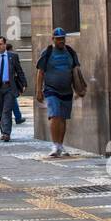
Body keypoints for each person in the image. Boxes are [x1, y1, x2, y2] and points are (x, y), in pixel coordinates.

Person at [36, 27, 81, 158]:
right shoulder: (48, 52)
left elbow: (76, 71)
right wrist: (38, 90)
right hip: (51, 89)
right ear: (53, 39)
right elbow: (40, 72)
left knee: (62, 118)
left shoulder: (71, 52)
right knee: (55, 115)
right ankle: (55, 145)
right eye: (59, 39)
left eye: (63, 38)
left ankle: (60, 144)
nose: (61, 41)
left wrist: (78, 88)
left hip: (67, 90)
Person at [0, 35, 29, 141]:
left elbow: (19, 71)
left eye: (1, 44)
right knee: (0, 111)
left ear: (5, 44)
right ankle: (3, 132)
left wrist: (24, 83)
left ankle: (7, 133)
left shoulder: (13, 56)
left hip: (9, 87)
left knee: (7, 110)